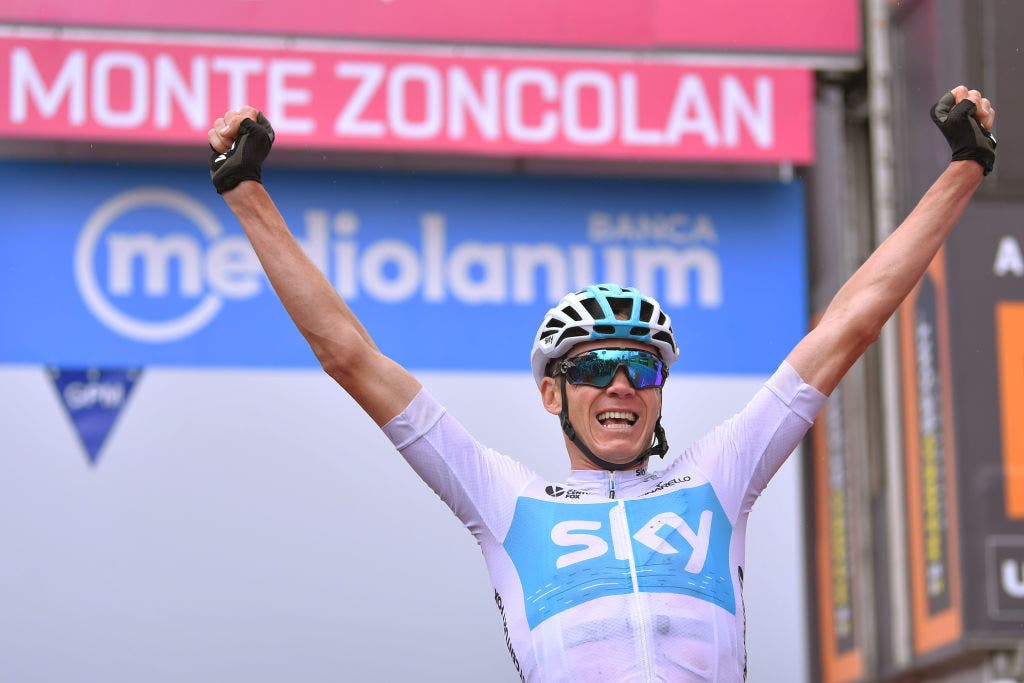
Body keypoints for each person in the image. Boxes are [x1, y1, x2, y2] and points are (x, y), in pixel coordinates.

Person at [206, 85, 995, 682]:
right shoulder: (503, 497)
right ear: (554, 394)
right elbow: (350, 355)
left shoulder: (717, 473)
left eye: (640, 366)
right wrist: (246, 189)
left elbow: (847, 326)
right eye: (589, 367)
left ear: (659, 390)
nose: (618, 384)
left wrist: (964, 169)